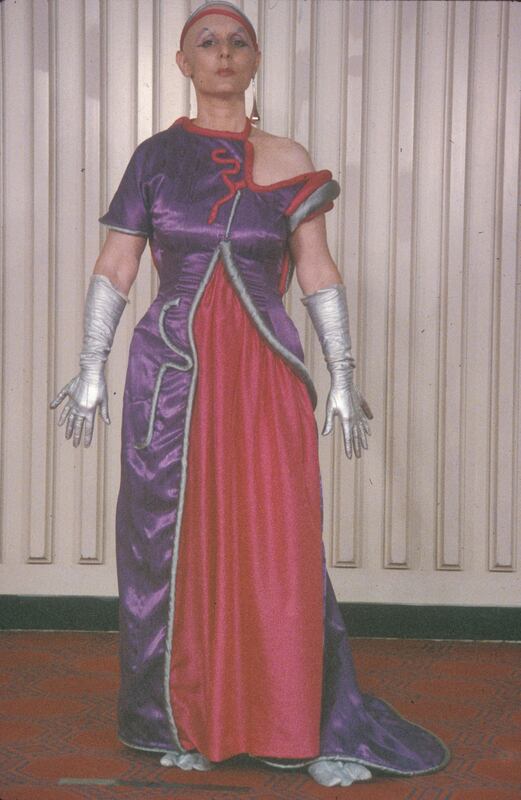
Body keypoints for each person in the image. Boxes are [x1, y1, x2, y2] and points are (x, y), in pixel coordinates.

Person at [50, 2, 449, 788]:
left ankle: (291, 719)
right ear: (183, 63)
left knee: (276, 542)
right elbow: (117, 264)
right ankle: (187, 717)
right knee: (176, 547)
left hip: (265, 373)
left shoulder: (287, 156)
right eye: (207, 42)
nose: (223, 53)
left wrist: (342, 373)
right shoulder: (156, 158)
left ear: (256, 59)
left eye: (238, 42)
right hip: (174, 378)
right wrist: (92, 362)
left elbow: (316, 268)